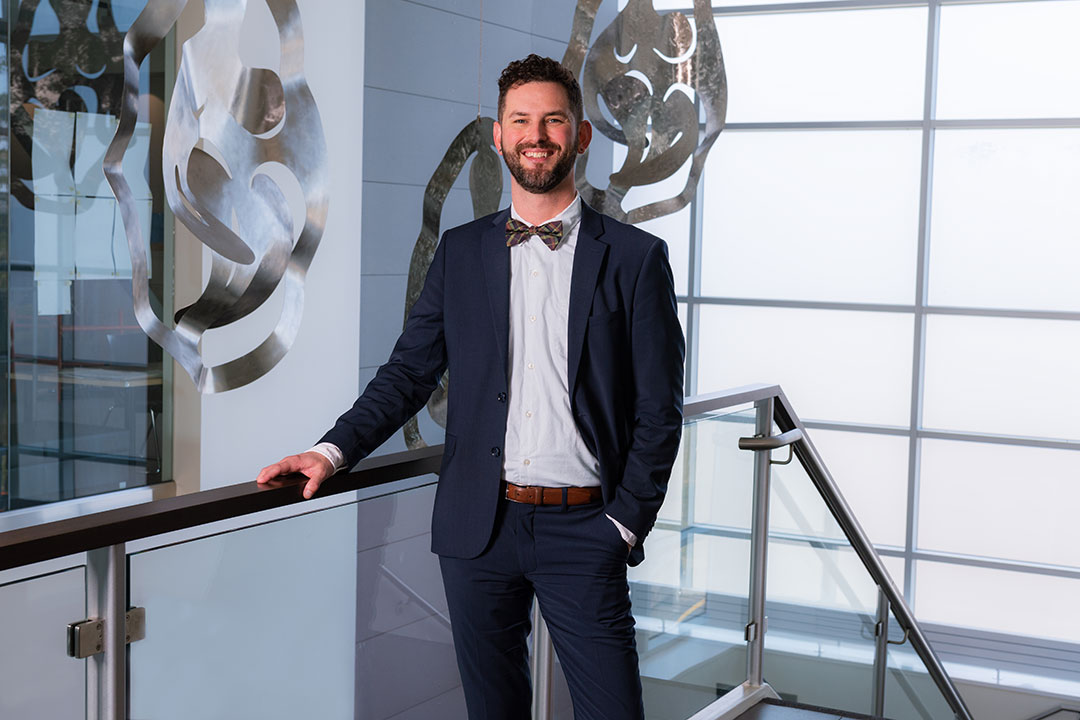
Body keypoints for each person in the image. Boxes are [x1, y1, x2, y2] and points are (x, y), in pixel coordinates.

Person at [257, 54, 684, 720]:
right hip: (478, 529)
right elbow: (407, 373)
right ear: (499, 135)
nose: (535, 135)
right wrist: (332, 452)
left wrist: (625, 524)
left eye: (552, 120)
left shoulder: (635, 259)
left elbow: (660, 410)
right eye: (520, 120)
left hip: (586, 530)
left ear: (581, 135)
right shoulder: (461, 252)